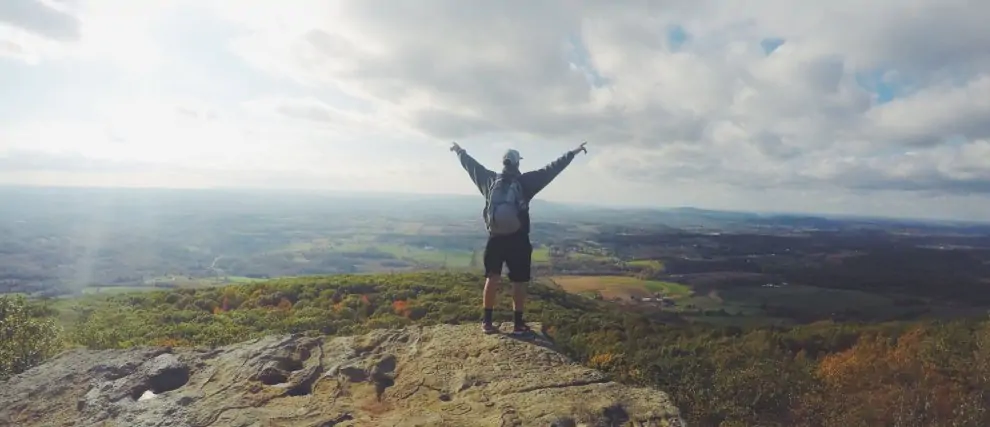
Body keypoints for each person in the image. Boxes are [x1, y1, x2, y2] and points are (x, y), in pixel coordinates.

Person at [450, 141, 588, 334]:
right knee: (519, 282)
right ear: (517, 164)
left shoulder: (489, 180)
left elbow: (470, 165)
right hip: (518, 239)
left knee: (492, 278)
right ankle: (518, 324)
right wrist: (572, 153)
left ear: (503, 163)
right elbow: (551, 169)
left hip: (495, 238)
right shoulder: (525, 183)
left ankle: (487, 322)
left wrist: (458, 151)